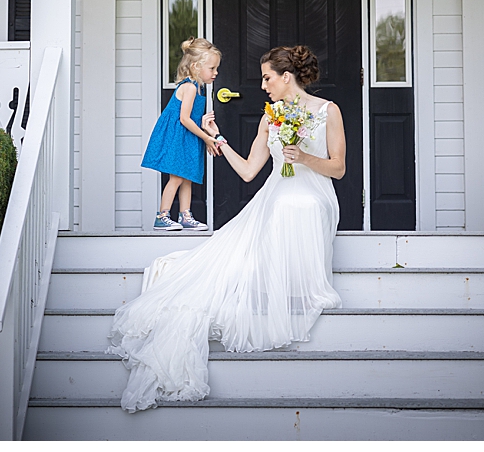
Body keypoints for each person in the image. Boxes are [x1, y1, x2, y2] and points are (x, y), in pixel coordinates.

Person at [107, 45, 345, 412]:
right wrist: (217, 139)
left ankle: (301, 281)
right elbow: (250, 171)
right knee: (281, 205)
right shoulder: (272, 117)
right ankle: (282, 278)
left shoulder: (329, 111)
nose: (263, 86)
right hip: (276, 196)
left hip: (316, 194)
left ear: (286, 76)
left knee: (301, 204)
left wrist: (304, 158)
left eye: (267, 78)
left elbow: (339, 168)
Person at [141, 37, 222, 230]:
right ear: (196, 66)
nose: (215, 72)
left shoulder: (198, 88)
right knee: (176, 177)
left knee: (187, 176)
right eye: (211, 68)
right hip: (178, 136)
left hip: (187, 136)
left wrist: (203, 126)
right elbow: (184, 119)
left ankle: (185, 215)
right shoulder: (190, 87)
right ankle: (162, 216)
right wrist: (206, 137)